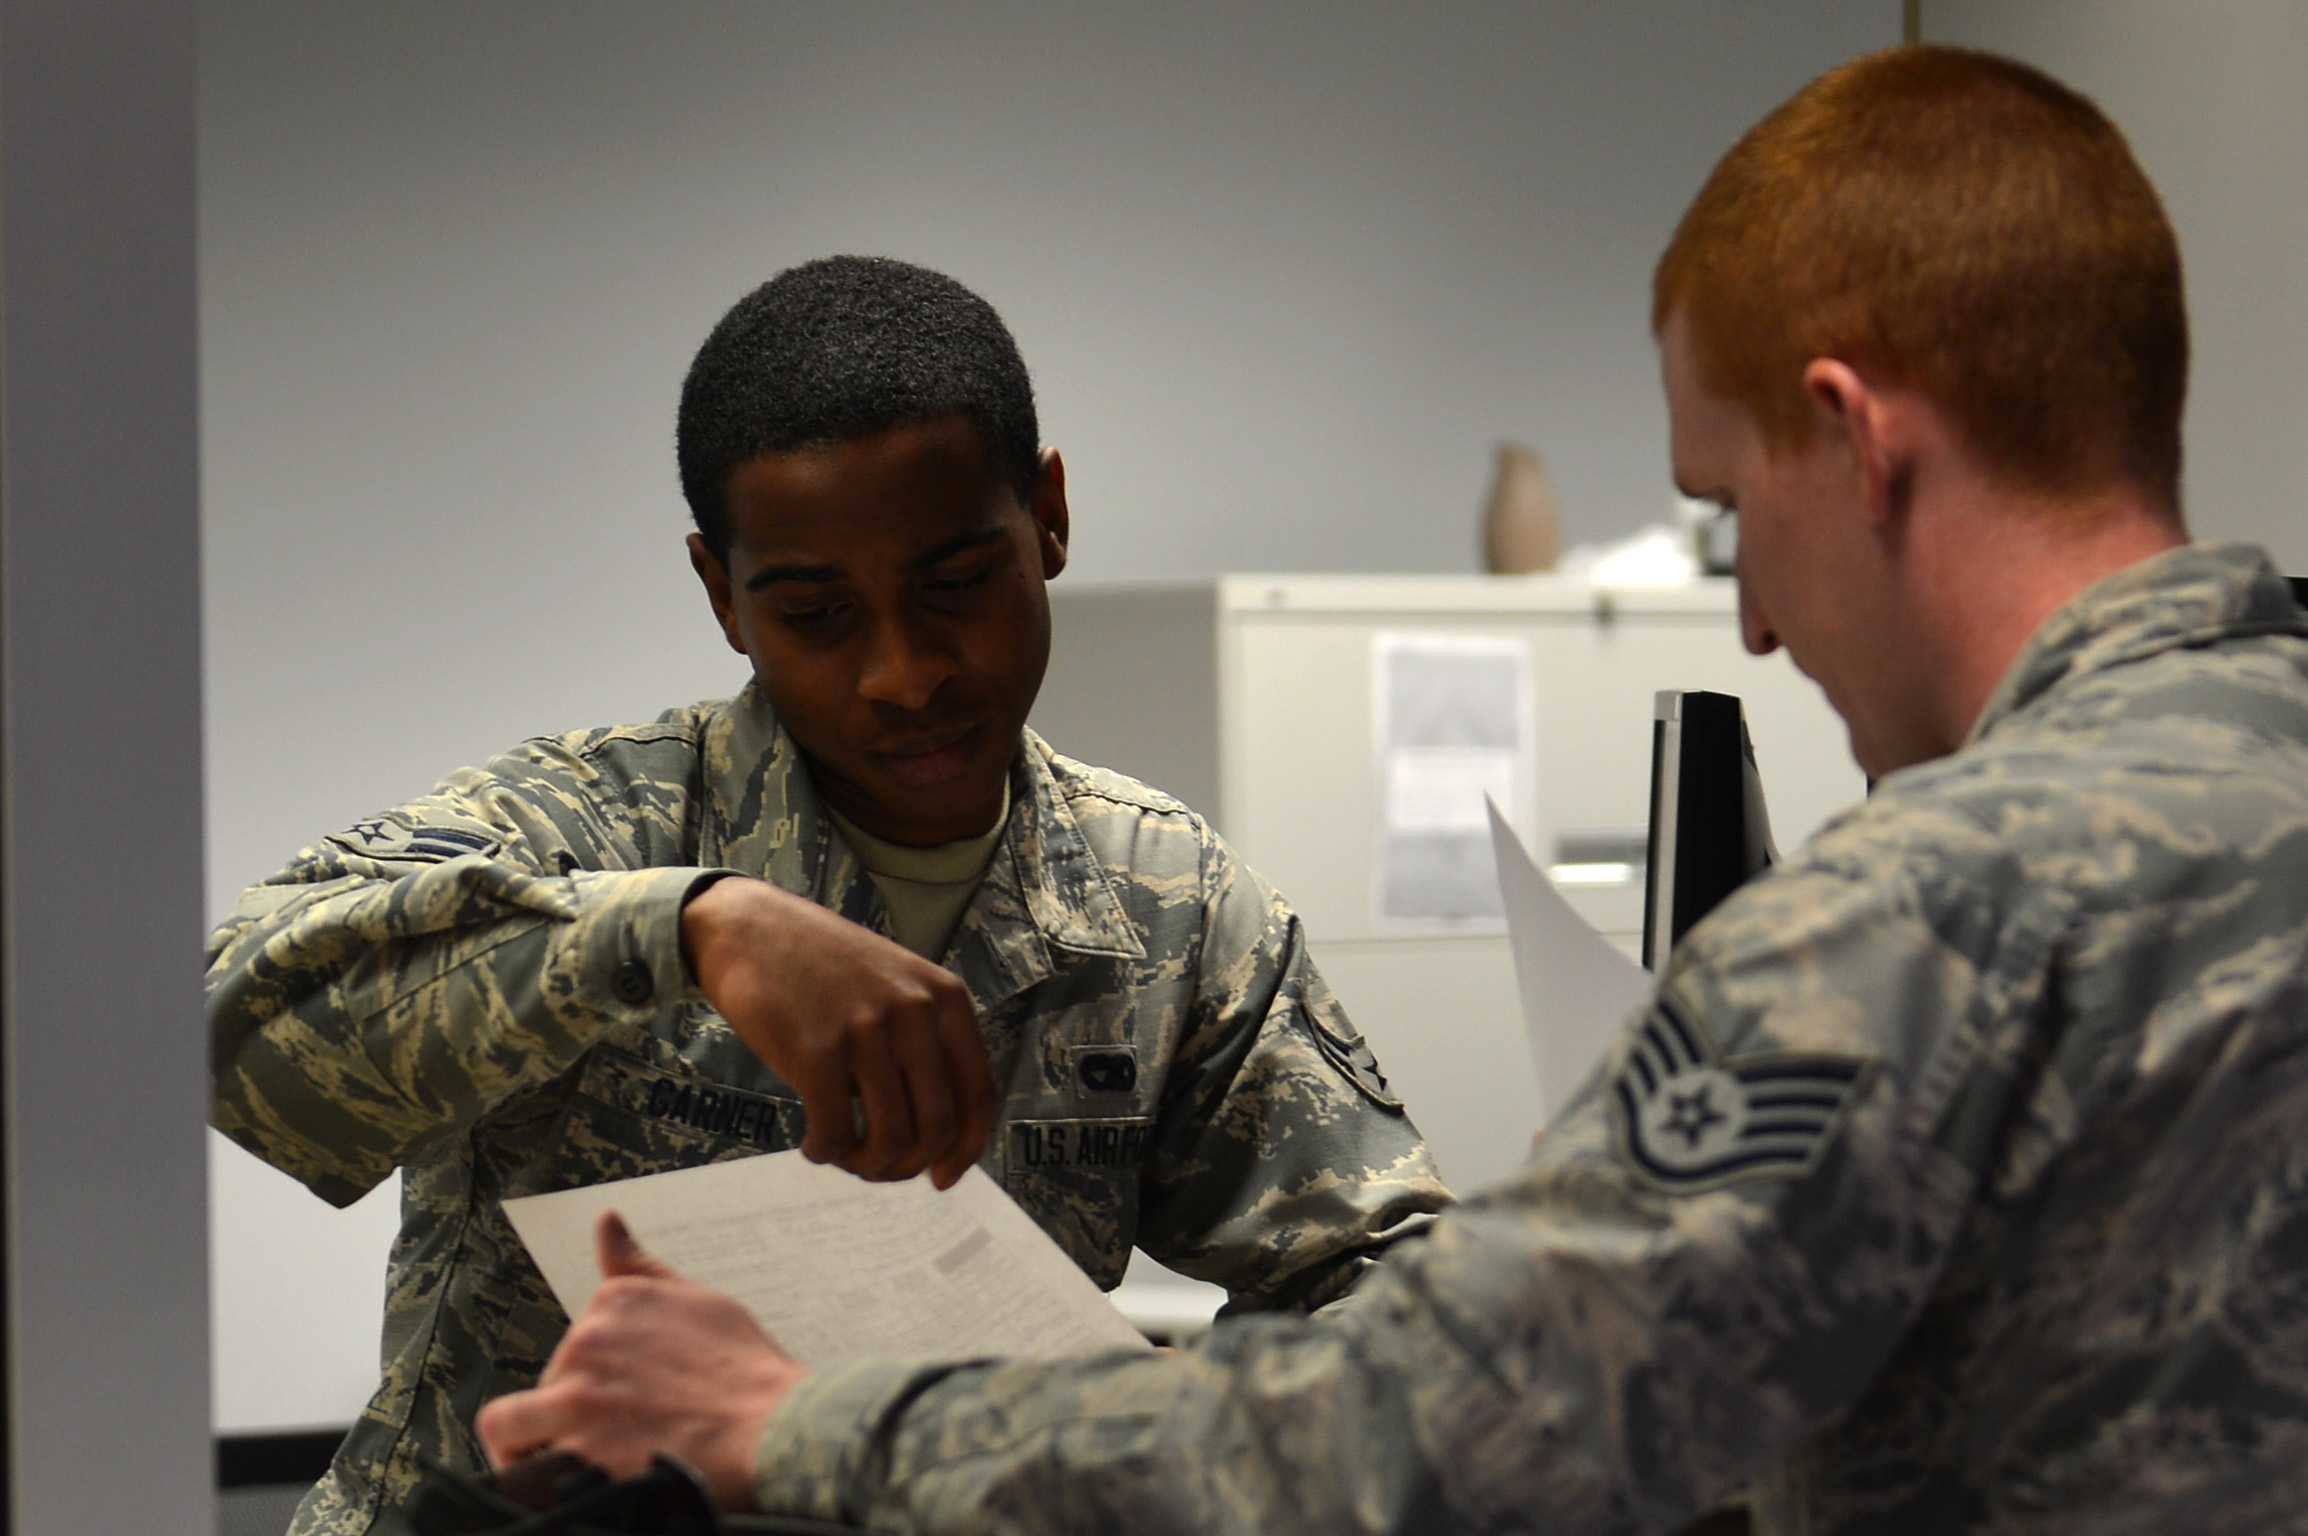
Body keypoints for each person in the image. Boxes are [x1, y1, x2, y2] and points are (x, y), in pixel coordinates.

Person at [475, 45, 2308, 1534]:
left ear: (1851, 436)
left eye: (1731, 509)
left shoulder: (1918, 922)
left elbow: (1436, 1436)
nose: (1751, 616)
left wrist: (796, 1424)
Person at [206, 256, 1450, 1536]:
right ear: (722, 595)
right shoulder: (598, 827)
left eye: (954, 585)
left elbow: (1385, 1294)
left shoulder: (1166, 904)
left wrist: (1172, 1427)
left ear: (1048, 519)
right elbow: (230, 1028)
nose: (904, 674)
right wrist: (683, 929)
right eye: (816, 614)